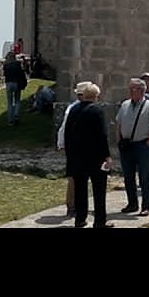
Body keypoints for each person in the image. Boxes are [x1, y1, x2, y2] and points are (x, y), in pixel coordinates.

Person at [64, 82, 114, 228]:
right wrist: (107, 156)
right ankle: (99, 221)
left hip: (77, 157)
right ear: (95, 96)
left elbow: (68, 134)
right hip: (95, 158)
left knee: (80, 190)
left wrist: (70, 154)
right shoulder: (97, 111)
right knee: (99, 191)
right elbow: (102, 136)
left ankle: (80, 219)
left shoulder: (73, 110)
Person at [114, 78, 149, 217]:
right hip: (126, 145)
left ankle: (145, 206)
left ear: (141, 90)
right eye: (130, 88)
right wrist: (118, 140)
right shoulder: (125, 105)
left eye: (133, 88)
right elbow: (118, 123)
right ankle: (132, 203)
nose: (130, 91)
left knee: (144, 177)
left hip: (141, 145)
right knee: (128, 176)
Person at [57, 82, 91, 217]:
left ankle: (78, 205)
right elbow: (64, 127)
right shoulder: (74, 108)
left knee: (80, 178)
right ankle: (72, 205)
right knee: (74, 178)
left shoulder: (77, 107)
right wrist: (62, 144)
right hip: (75, 148)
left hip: (79, 147)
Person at [2, 52, 28, 126]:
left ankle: (10, 120)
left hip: (8, 83)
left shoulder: (6, 65)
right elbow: (21, 73)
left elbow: (5, 74)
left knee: (10, 102)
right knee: (17, 100)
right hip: (16, 83)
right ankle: (16, 115)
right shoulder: (17, 64)